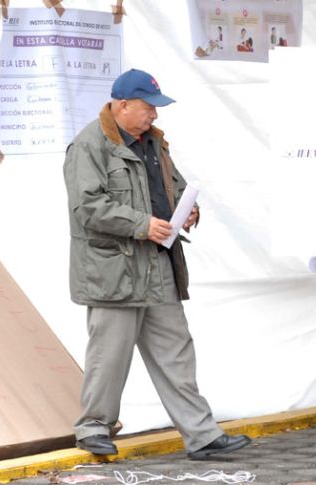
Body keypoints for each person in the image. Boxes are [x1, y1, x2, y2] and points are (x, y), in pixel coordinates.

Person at [63, 68, 251, 459]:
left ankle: (202, 435)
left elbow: (175, 186)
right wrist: (141, 224)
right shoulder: (88, 146)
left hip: (158, 261)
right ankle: (93, 428)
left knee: (176, 351)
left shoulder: (155, 143)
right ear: (123, 105)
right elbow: (87, 207)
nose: (155, 116)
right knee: (109, 354)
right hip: (113, 270)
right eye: (149, 108)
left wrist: (189, 208)